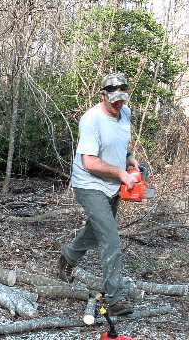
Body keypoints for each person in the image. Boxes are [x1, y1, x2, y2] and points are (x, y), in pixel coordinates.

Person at [57, 73, 139, 316]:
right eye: (113, 100)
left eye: (122, 99)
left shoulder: (125, 112)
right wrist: (120, 173)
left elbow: (121, 142)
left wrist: (129, 159)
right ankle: (115, 298)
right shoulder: (91, 120)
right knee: (110, 238)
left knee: (96, 229)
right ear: (102, 95)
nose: (118, 104)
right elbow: (89, 161)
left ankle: (68, 258)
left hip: (112, 183)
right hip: (89, 183)